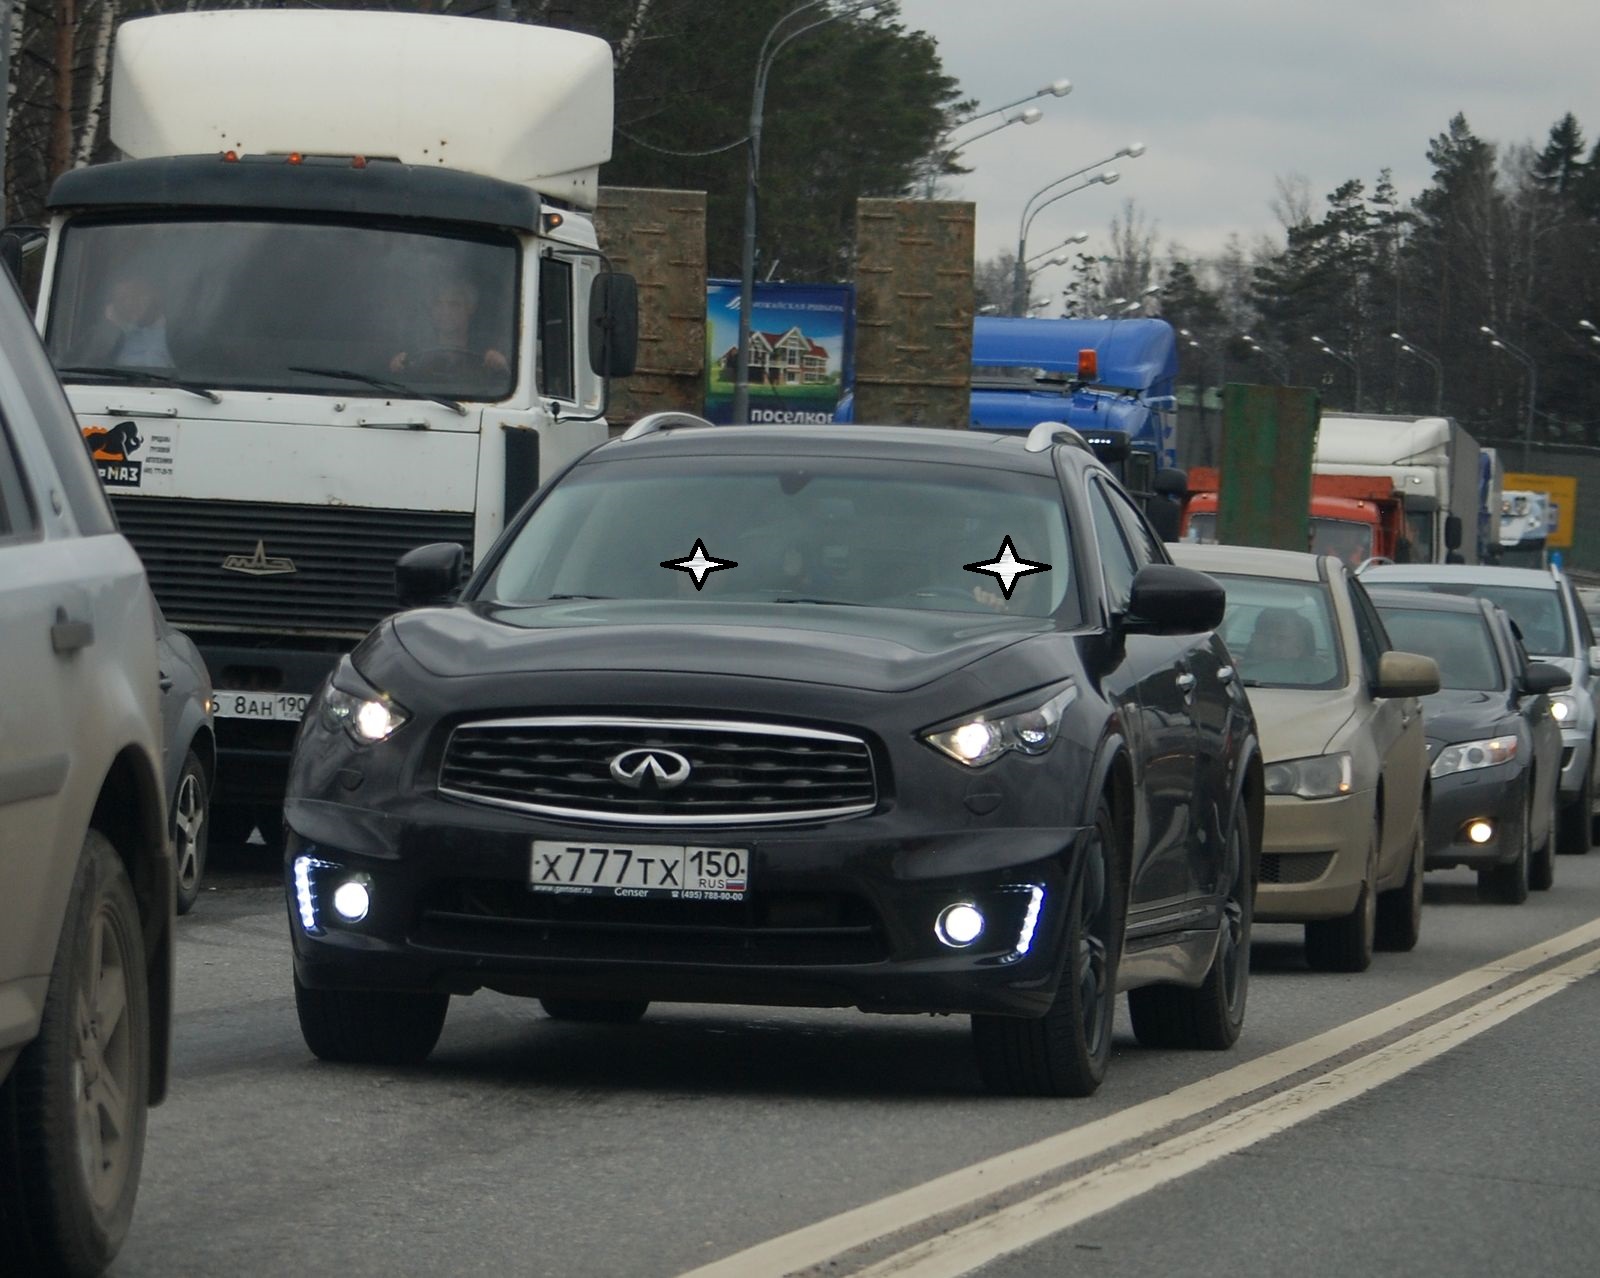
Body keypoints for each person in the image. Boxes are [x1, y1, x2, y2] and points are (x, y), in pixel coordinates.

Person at [390, 280, 508, 379]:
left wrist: (501, 366)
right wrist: (397, 367)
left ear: (470, 308)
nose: (445, 312)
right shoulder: (415, 353)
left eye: (454, 305)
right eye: (438, 304)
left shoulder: (487, 352)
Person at [92, 274, 174, 367]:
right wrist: (109, 326)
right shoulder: (111, 338)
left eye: (136, 295)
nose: (129, 303)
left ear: (155, 295)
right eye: (122, 299)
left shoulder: (176, 333)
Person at [1242, 606, 1317, 683]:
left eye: (1281, 638)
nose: (1271, 644)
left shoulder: (1319, 677)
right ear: (1253, 639)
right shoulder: (1232, 673)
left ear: (1300, 646)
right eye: (1266, 637)